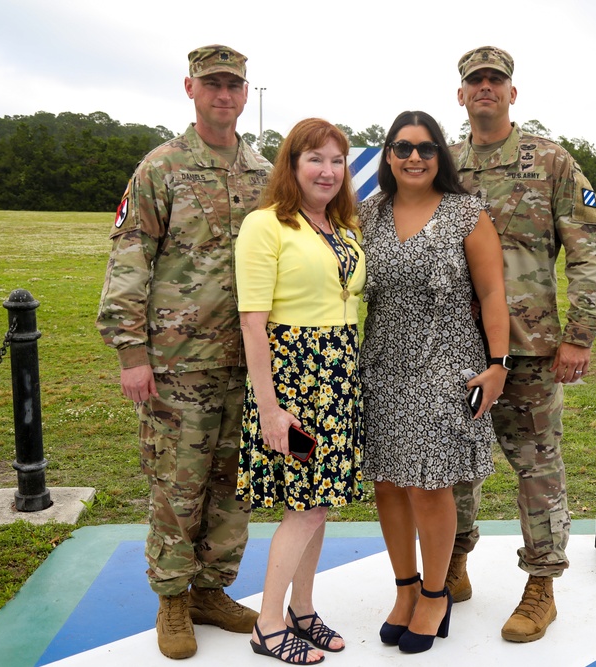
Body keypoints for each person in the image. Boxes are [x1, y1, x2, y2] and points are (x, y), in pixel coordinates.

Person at [96, 44, 272, 660]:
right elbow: (130, 255)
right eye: (212, 84)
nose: (224, 94)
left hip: (248, 362)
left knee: (232, 484)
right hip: (178, 360)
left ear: (246, 94)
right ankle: (172, 598)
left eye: (234, 85)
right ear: (191, 89)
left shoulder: (263, 172)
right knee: (178, 483)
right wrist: (130, 351)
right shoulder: (161, 168)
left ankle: (210, 590)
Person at [444, 46, 596, 643]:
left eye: (496, 80)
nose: (485, 88)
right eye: (475, 81)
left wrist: (579, 334)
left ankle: (541, 584)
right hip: (454, 345)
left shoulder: (550, 160)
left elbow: (589, 248)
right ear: (460, 94)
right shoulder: (443, 163)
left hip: (530, 347)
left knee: (536, 465)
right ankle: (453, 562)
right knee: (455, 463)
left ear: (513, 92)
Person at [358, 110, 510, 654]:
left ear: (440, 155)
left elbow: (493, 294)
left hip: (446, 363)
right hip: (381, 365)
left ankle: (435, 593)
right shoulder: (367, 215)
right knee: (388, 483)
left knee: (429, 484)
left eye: (425, 148)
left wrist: (498, 364)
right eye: (402, 147)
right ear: (389, 156)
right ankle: (403, 589)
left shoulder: (467, 214)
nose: (414, 157)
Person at [236, 118, 365, 665]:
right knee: (305, 509)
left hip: (339, 374)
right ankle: (268, 623)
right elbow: (252, 323)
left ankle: (303, 611)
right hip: (294, 376)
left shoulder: (343, 228)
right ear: (291, 165)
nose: (328, 170)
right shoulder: (266, 225)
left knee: (321, 504)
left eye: (336, 160)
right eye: (315, 159)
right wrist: (269, 408)